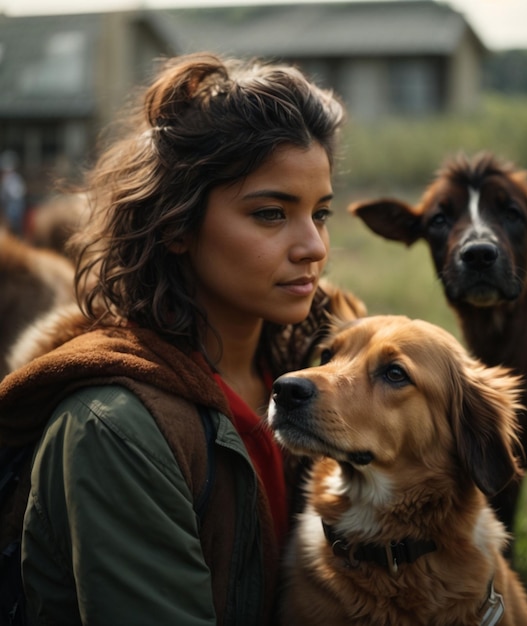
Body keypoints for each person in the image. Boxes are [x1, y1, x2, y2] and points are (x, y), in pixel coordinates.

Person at [0, 52, 365, 625]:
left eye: (320, 213)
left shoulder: (319, 381)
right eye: (271, 214)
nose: (314, 247)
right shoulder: (116, 428)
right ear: (175, 225)